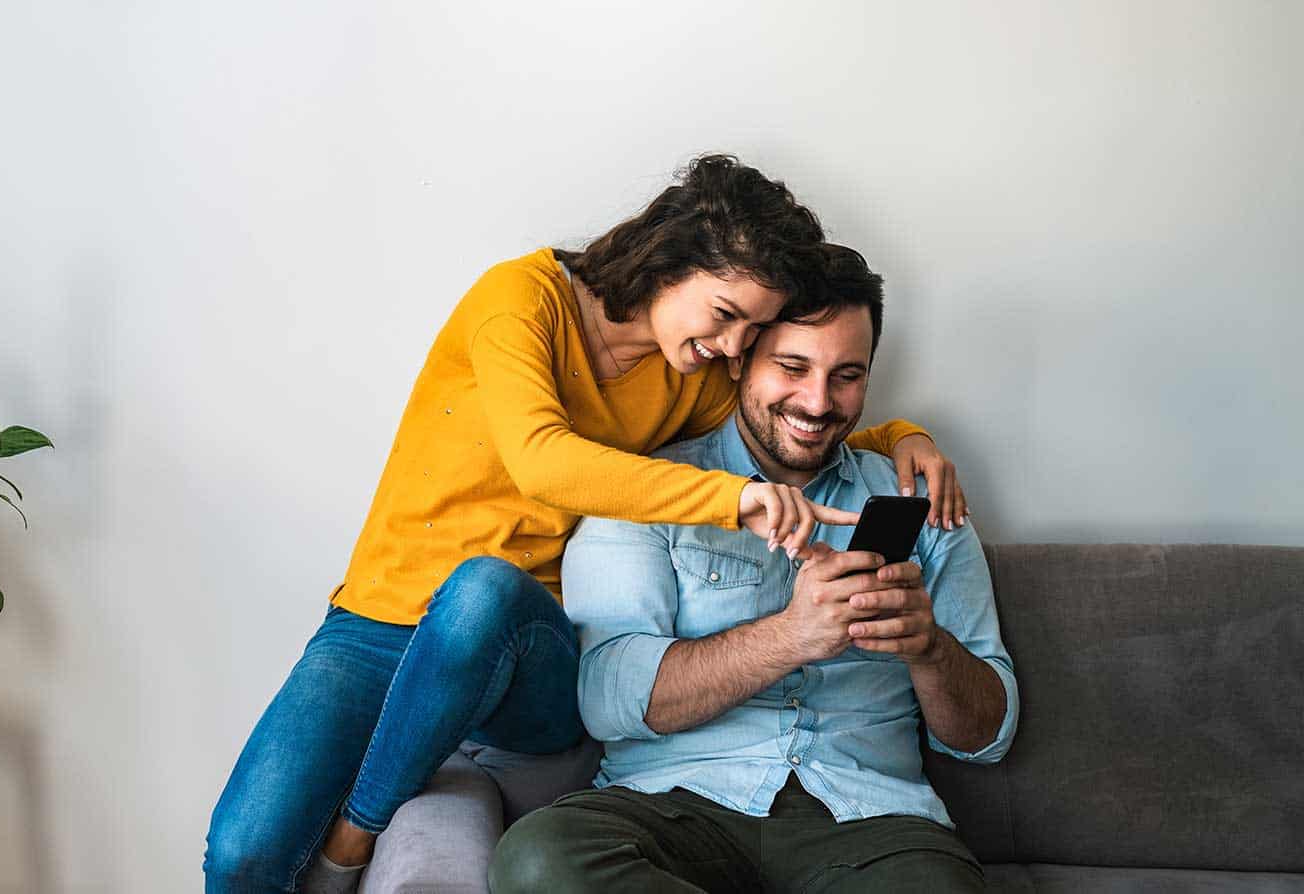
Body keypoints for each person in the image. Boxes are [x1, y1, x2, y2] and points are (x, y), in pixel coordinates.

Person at [203, 155, 969, 893]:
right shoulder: (521, 299)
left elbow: (792, 423)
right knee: (240, 855)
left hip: (523, 646)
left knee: (484, 595)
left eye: (751, 331)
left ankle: (355, 833)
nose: (732, 348)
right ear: (669, 262)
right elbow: (544, 460)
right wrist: (732, 500)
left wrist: (901, 435)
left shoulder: (690, 376)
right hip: (384, 615)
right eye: (728, 316)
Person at [490, 244, 1018, 893]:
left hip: (874, 827)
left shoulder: (924, 500)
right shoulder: (649, 490)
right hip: (671, 810)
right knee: (539, 860)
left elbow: (987, 737)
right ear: (740, 357)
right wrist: (791, 636)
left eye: (846, 375)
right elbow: (605, 699)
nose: (818, 401)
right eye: (793, 367)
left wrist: (929, 648)